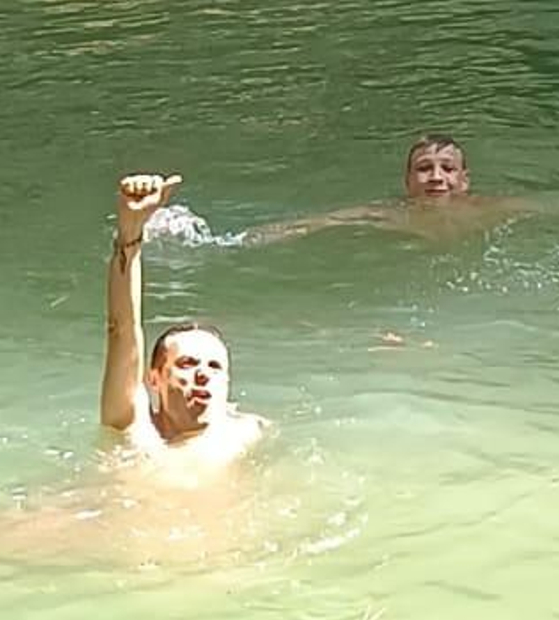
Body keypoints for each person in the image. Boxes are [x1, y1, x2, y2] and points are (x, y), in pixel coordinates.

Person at [104, 172, 266, 463]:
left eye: (215, 367)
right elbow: (122, 330)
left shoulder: (244, 432)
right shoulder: (137, 432)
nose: (203, 375)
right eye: (187, 364)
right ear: (154, 380)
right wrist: (130, 231)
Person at [242, 134, 536, 244]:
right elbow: (326, 220)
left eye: (447, 169)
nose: (436, 177)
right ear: (407, 182)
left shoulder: (489, 207)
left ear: (464, 180)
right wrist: (260, 236)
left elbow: (552, 207)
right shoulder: (390, 213)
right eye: (423, 169)